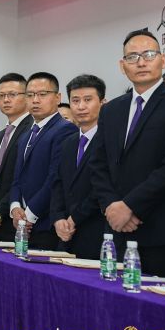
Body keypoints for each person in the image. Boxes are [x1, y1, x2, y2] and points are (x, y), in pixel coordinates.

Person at [91, 29, 165, 277]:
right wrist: (111, 206)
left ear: (163, 59)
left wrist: (131, 206)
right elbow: (98, 164)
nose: (141, 62)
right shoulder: (111, 110)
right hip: (117, 230)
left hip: (164, 232)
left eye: (149, 55)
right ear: (122, 66)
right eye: (132, 57)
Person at [9, 72, 75, 249]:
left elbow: (54, 178)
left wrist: (29, 215)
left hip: (46, 224)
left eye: (42, 94)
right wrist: (15, 208)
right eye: (30, 95)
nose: (35, 100)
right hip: (22, 224)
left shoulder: (65, 130)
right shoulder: (25, 135)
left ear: (58, 97)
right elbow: (17, 177)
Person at [50, 74, 107, 259]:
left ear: (103, 103)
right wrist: (58, 218)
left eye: (88, 100)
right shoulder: (68, 142)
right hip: (65, 236)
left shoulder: (110, 140)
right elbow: (58, 183)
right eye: (75, 100)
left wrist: (75, 218)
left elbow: (103, 187)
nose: (81, 106)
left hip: (98, 233)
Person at [0, 73, 33, 241]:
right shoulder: (2, 134)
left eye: (12, 94)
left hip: (17, 219)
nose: (6, 100)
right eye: (1, 95)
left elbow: (23, 178)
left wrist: (0, 210)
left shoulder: (31, 130)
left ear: (27, 97)